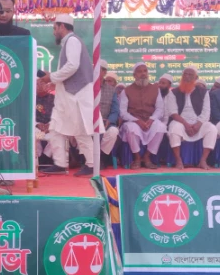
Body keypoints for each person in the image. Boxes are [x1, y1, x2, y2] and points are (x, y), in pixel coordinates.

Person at [39, 14, 105, 177]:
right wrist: (55, 82)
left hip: (77, 95)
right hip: (66, 96)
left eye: (55, 28)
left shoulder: (72, 41)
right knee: (55, 128)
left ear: (62, 26)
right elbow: (69, 71)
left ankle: (91, 164)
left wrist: (52, 77)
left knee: (80, 130)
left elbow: (72, 66)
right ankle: (60, 164)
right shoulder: (67, 43)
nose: (54, 32)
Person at [166, 66, 217, 170]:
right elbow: (173, 113)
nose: (187, 76)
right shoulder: (174, 92)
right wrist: (186, 124)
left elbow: (206, 111)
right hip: (180, 122)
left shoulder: (203, 92)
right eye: (185, 74)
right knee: (174, 128)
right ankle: (178, 160)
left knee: (212, 129)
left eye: (190, 74)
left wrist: (198, 124)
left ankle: (203, 160)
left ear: (196, 78)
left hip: (198, 122)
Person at [118, 63, 166, 170]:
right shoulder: (126, 91)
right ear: (134, 75)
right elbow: (122, 112)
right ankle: (137, 158)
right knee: (131, 129)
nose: (143, 74)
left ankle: (147, 157)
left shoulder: (155, 89)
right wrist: (136, 120)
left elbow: (159, 109)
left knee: (161, 127)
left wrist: (152, 119)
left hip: (150, 120)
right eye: (140, 72)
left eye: (145, 71)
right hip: (133, 121)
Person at [97, 60, 120, 167]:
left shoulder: (111, 90)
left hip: (106, 122)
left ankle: (101, 157)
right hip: (89, 122)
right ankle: (89, 158)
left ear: (104, 72)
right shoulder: (86, 87)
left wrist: (110, 120)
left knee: (113, 132)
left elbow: (115, 110)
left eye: (98, 69)